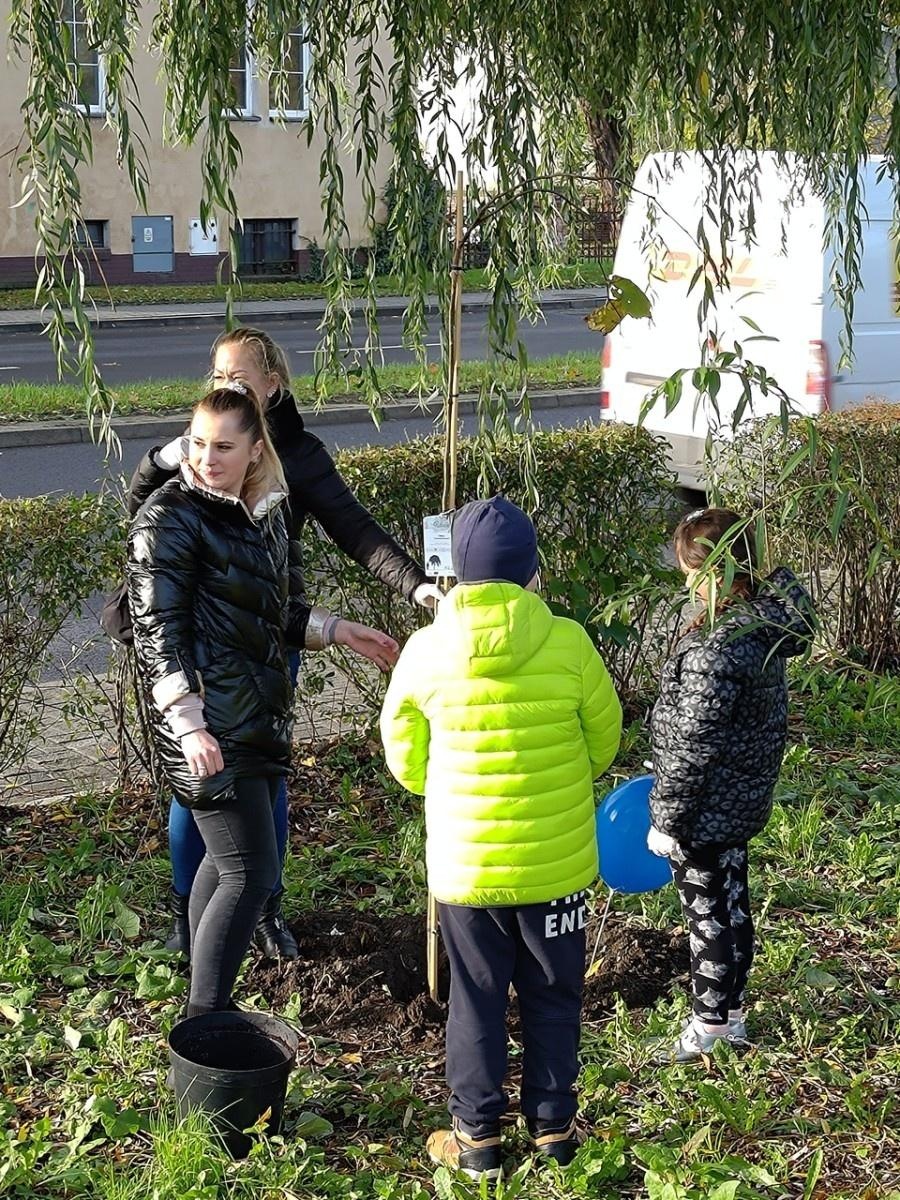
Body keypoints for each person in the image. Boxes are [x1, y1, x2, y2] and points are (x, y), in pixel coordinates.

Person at [129, 327, 440, 960]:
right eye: (219, 377)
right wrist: (165, 456)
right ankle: (191, 917)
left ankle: (261, 909)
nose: (227, 389)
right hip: (196, 656)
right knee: (198, 786)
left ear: (274, 385)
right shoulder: (201, 450)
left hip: (271, 638)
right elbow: (143, 520)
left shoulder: (294, 458)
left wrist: (417, 588)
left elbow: (357, 531)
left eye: (242, 379)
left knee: (263, 783)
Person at [380, 496, 623, 1180]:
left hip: (468, 868)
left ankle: (477, 1138)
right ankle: (553, 1132)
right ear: (532, 572)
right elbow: (604, 737)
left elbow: (404, 754)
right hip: (557, 866)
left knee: (477, 996)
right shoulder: (570, 642)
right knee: (554, 994)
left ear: (455, 570)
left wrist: (449, 789)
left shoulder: (429, 651)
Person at [647, 507, 815, 1064]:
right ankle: (733, 1013)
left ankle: (711, 1025)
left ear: (715, 575)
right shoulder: (761, 627)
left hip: (705, 806)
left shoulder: (716, 649)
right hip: (740, 797)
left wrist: (666, 821)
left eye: (690, 572)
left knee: (707, 915)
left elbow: (693, 744)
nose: (686, 583)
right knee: (732, 904)